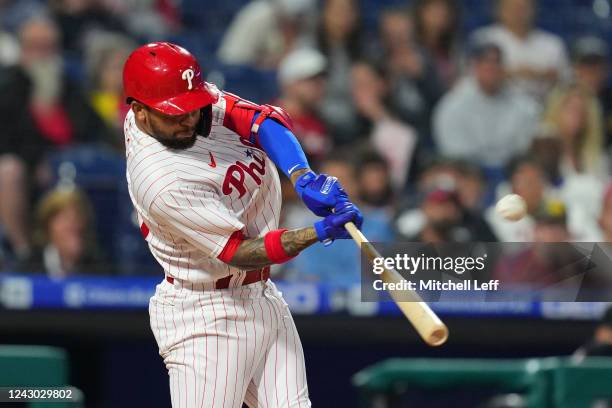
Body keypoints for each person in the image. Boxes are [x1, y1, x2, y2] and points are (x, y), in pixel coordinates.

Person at [122, 42, 363, 407]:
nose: (189, 119)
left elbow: (261, 121)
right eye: (176, 114)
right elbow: (239, 252)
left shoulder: (177, 100)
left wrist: (302, 177)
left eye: (192, 107)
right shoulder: (160, 180)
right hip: (205, 314)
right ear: (139, 112)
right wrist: (317, 233)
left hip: (261, 296)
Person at [433, 41, 539, 168]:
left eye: (496, 62)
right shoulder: (451, 106)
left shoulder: (523, 105)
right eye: (485, 62)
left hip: (511, 173)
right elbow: (455, 155)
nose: (491, 67)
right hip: (468, 175)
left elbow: (525, 148)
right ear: (473, 67)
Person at [471, 0, 570, 102]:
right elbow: (474, 79)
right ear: (499, 10)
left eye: (523, 7)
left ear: (534, 10)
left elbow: (566, 81)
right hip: (496, 107)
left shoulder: (552, 44)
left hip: (543, 106)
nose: (518, 13)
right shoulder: (484, 38)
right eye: (512, 7)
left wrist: (540, 74)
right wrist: (516, 73)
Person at [19, 188, 107, 278]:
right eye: (66, 219)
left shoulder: (101, 270)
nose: (75, 226)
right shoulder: (28, 269)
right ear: (47, 226)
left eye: (79, 217)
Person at [276, 47, 331, 162]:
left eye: (321, 80)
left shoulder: (321, 123)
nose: (320, 86)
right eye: (311, 80)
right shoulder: (268, 118)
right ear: (291, 83)